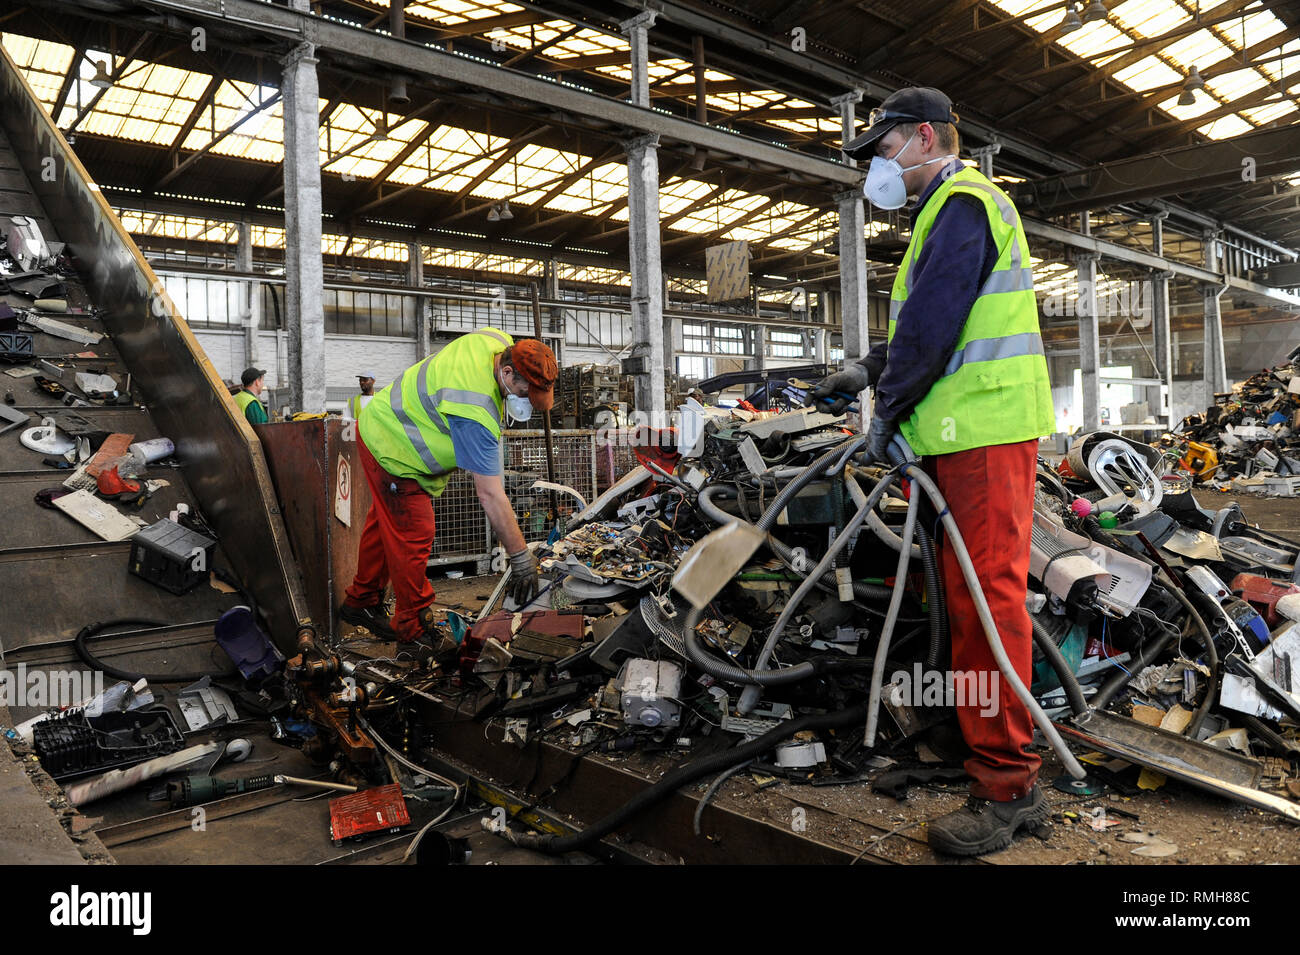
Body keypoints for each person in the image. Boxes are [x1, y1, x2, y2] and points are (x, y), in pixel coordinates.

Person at [810, 87, 1055, 856]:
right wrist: (867, 370)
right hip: (958, 438)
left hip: (983, 434)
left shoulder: (965, 202)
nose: (877, 170)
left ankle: (1010, 787)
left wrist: (886, 404)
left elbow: (938, 324)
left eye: (882, 151)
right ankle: (982, 751)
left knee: (987, 608)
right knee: (961, 604)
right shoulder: (945, 215)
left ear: (924, 137)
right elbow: (924, 320)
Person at [339, 327, 557, 647]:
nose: (526, 400)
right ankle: (413, 630)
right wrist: (521, 557)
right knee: (415, 531)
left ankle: (361, 603)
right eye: (526, 392)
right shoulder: (476, 410)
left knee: (386, 523)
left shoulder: (494, 339)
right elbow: (490, 494)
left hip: (380, 425)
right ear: (507, 372)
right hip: (393, 448)